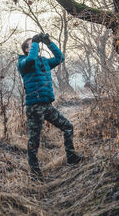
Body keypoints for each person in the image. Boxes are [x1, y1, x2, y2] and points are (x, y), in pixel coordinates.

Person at [17, 33, 84, 180]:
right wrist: (35, 42)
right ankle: (35, 173)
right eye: (32, 44)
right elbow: (31, 59)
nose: (36, 45)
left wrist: (49, 42)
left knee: (68, 126)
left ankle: (71, 157)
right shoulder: (23, 63)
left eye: (36, 43)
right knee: (34, 140)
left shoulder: (44, 62)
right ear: (27, 49)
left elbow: (60, 58)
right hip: (34, 107)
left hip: (47, 105)